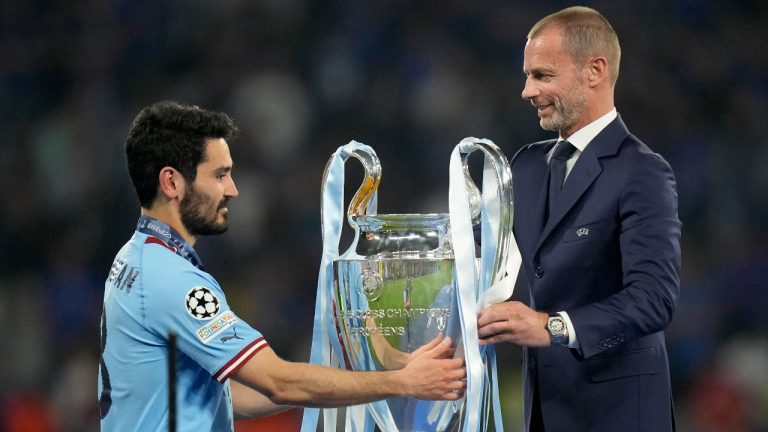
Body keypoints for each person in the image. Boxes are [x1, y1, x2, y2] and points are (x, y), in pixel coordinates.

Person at [97, 100, 466, 431]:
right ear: (172, 182)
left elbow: (228, 396)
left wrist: (375, 372)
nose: (233, 190)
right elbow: (279, 382)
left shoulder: (135, 258)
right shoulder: (172, 279)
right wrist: (405, 384)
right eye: (220, 175)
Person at [476, 6, 681, 432]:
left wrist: (551, 327)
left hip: (619, 414)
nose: (527, 91)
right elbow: (488, 262)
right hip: (544, 411)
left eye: (542, 76)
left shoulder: (642, 171)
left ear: (595, 71)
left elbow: (654, 298)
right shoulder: (527, 165)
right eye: (527, 75)